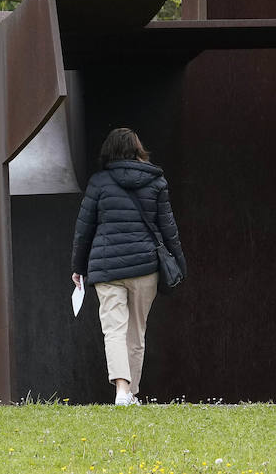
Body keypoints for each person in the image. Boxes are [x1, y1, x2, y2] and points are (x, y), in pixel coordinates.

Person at [71, 128, 187, 406]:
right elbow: (168, 229)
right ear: (138, 150)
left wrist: (78, 266)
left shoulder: (99, 182)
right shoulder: (156, 182)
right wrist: (179, 262)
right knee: (137, 329)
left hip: (107, 268)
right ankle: (130, 393)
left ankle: (122, 391)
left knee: (114, 329)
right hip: (145, 266)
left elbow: (83, 229)